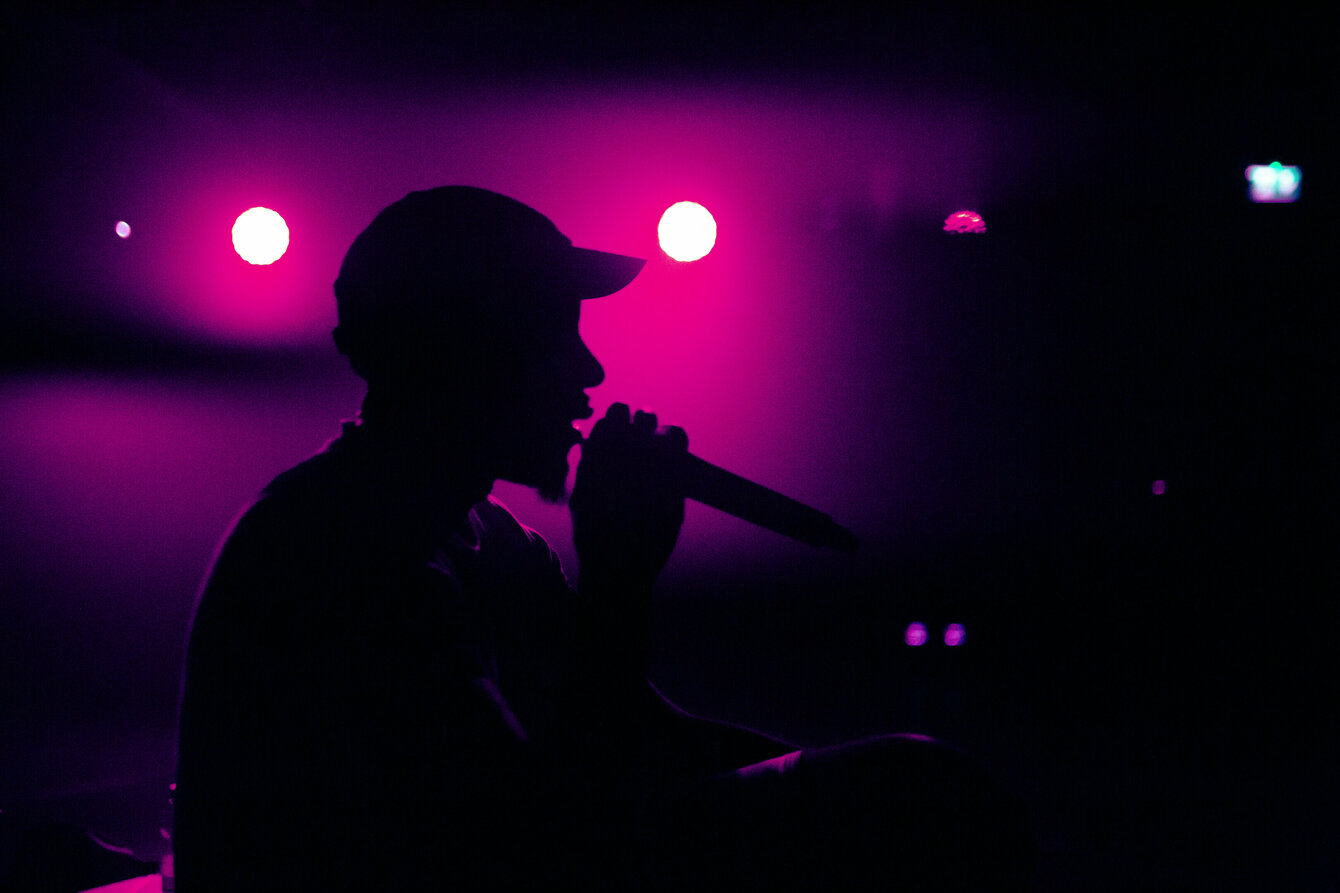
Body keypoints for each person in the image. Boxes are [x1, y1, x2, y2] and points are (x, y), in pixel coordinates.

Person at [173, 186, 1032, 891]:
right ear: (468, 349)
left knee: (921, 793)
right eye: (558, 335)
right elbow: (535, 847)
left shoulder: (491, 540)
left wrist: (858, 775)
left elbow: (627, 732)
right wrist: (618, 574)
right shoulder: (338, 547)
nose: (588, 375)